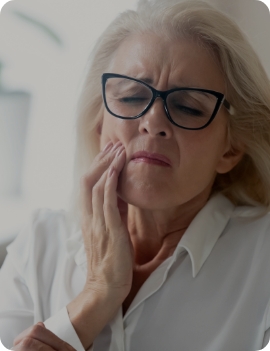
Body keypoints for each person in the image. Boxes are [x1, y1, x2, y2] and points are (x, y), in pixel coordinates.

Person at [1, 0, 270, 350]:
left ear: (230, 149)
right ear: (100, 123)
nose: (153, 122)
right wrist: (96, 295)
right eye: (130, 98)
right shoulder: (38, 246)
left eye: (188, 107)